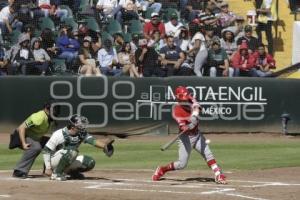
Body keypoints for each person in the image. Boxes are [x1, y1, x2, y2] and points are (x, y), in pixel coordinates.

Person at [152, 86, 227, 184]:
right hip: (186, 138)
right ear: (178, 99)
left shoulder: (190, 98)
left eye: (186, 99)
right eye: (182, 100)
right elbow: (183, 128)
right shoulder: (177, 111)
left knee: (208, 154)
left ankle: (218, 174)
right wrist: (189, 126)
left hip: (197, 135)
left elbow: (198, 107)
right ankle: (162, 169)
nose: (185, 101)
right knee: (182, 164)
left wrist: (195, 116)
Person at [42, 114, 115, 181]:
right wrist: (48, 168)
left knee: (89, 162)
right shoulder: (58, 134)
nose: (82, 128)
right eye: (80, 126)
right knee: (72, 151)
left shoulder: (81, 133)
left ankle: (71, 173)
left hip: (67, 157)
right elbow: (46, 150)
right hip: (52, 161)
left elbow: (93, 141)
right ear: (73, 127)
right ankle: (56, 174)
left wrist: (105, 146)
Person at [11, 99, 60, 178]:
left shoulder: (51, 119)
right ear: (47, 108)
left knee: (55, 144)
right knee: (35, 147)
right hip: (20, 136)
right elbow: (21, 128)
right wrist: (23, 143)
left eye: (56, 108)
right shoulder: (39, 117)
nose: (56, 111)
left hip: (36, 137)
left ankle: (48, 170)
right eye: (54, 109)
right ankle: (19, 171)